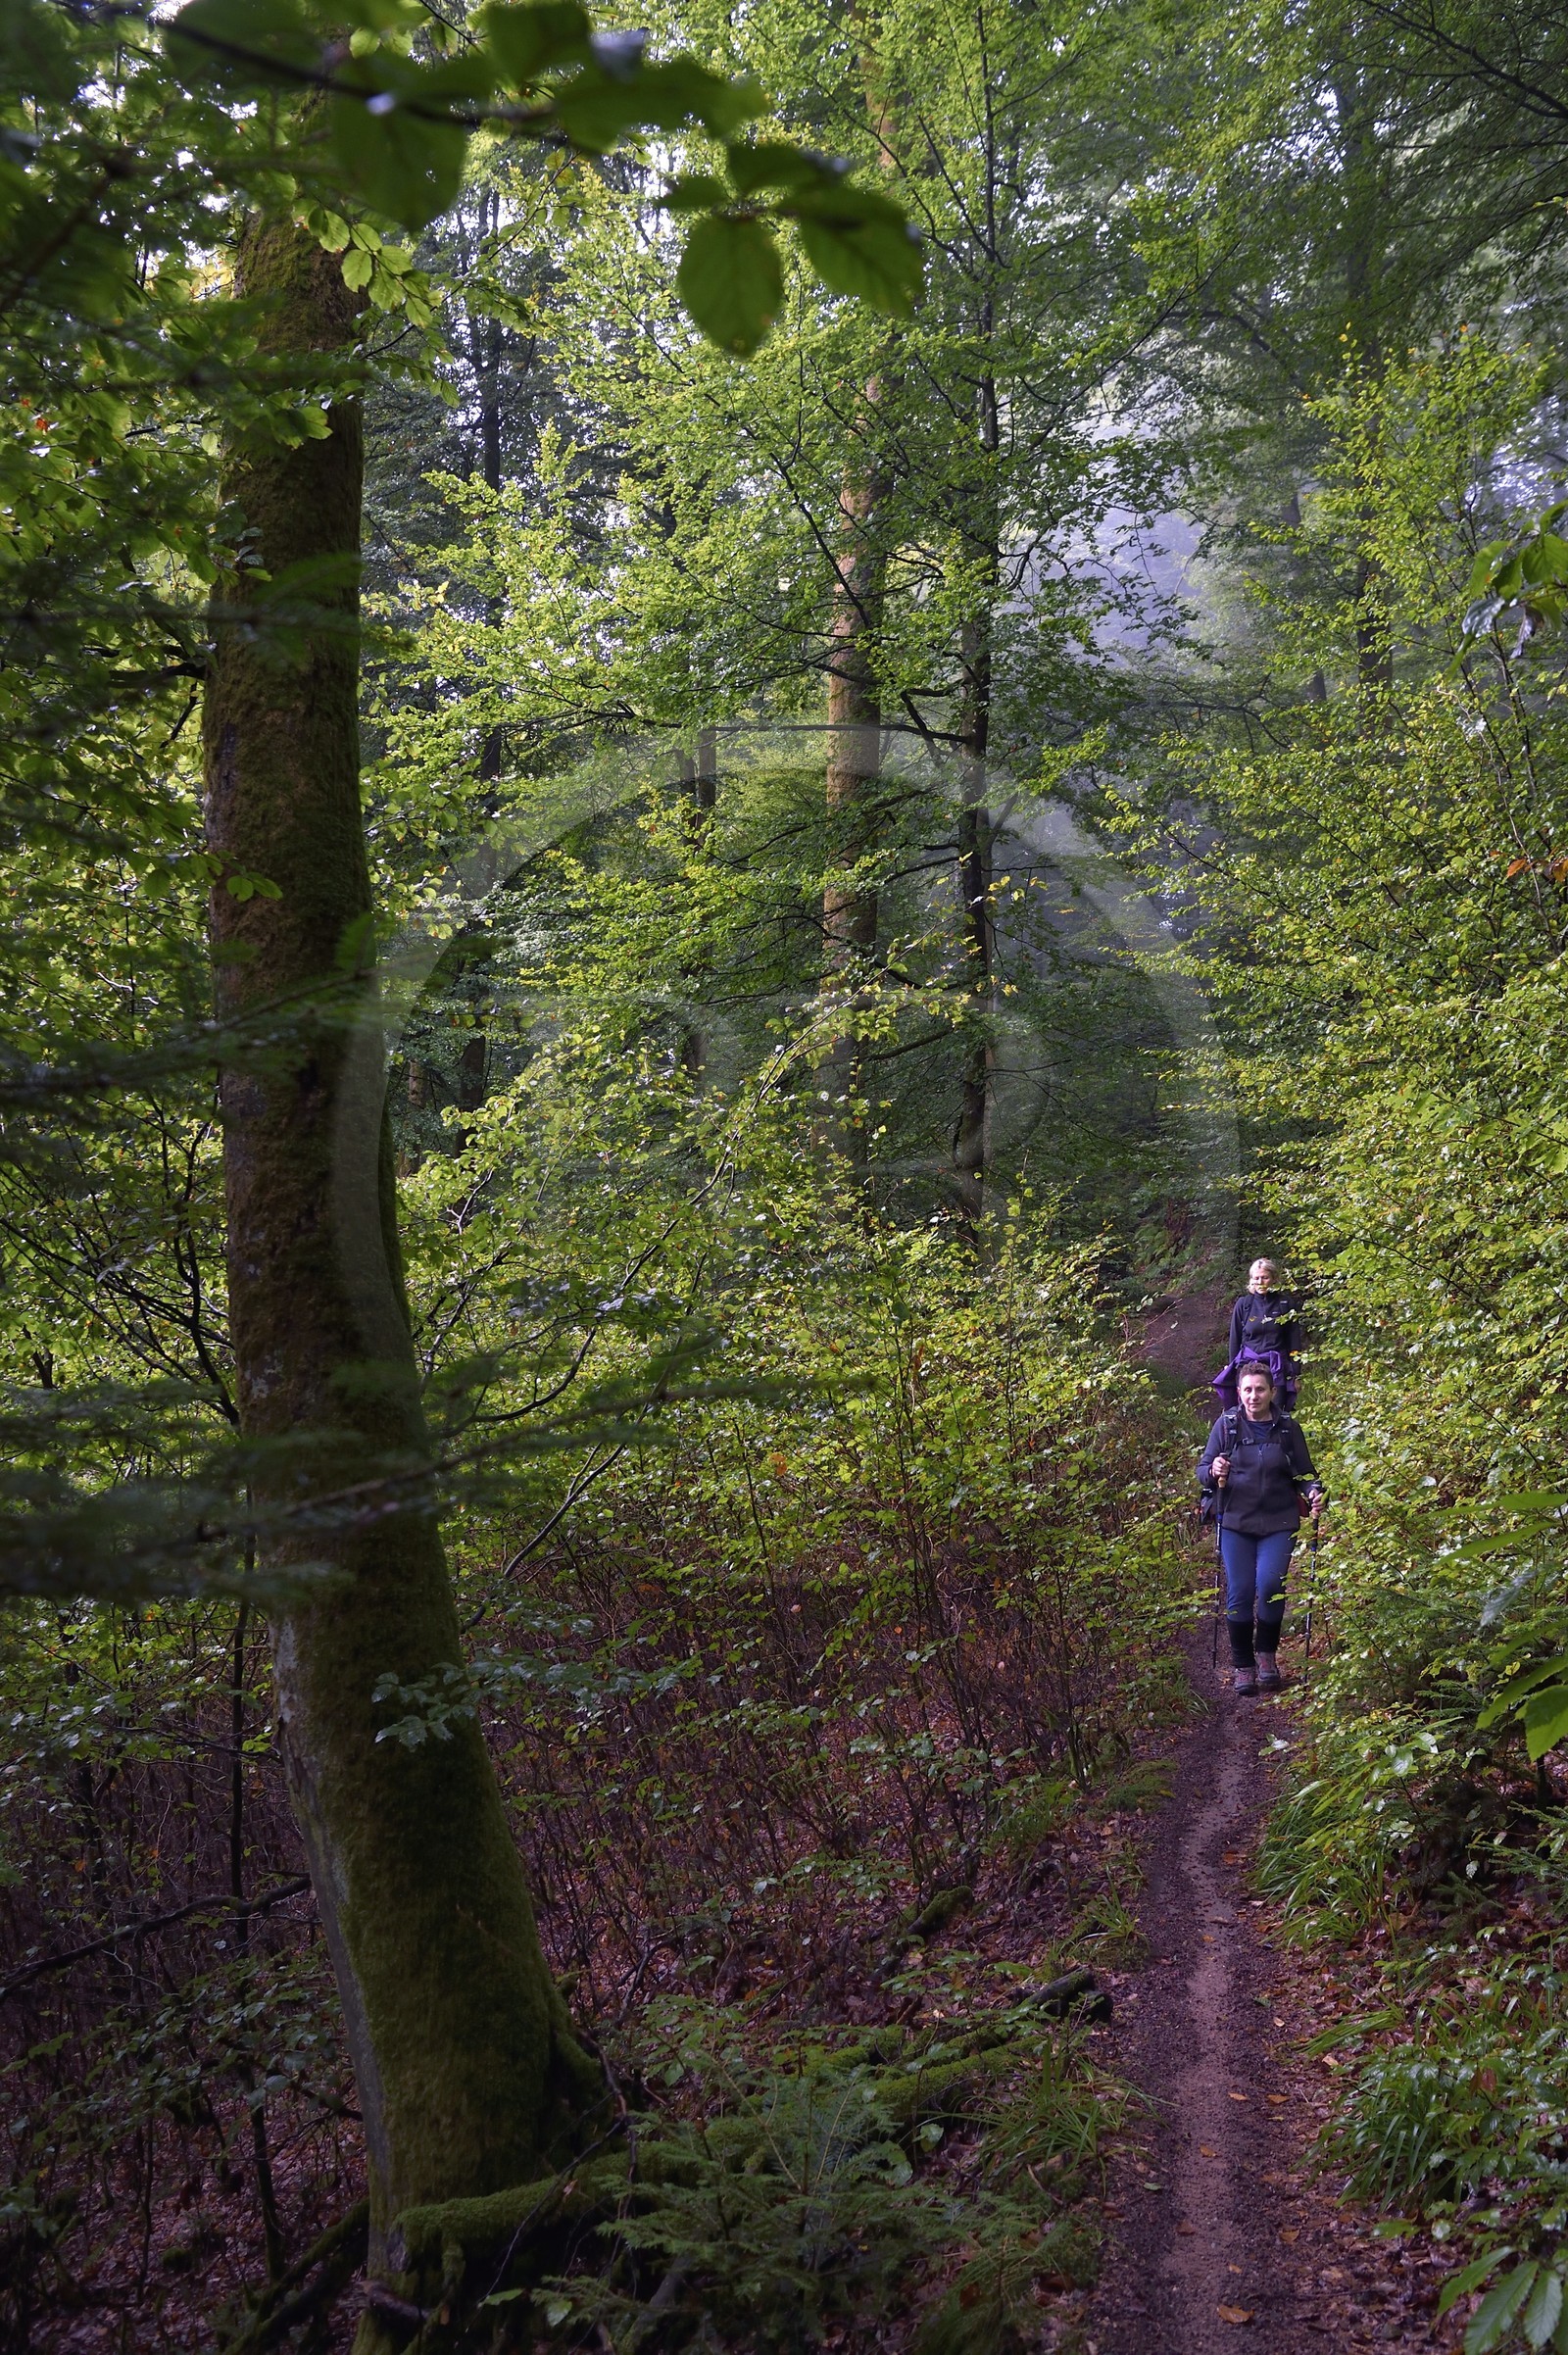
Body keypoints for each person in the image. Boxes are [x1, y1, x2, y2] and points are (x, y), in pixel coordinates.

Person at [1199, 1361, 1324, 1695]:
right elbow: (1201, 1472)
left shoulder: (1287, 1428)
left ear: (1272, 1392)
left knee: (1270, 1587)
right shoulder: (1226, 1426)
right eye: (1248, 1389)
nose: (1254, 1396)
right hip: (1236, 1521)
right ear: (1239, 1393)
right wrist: (1214, 1468)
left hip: (1279, 1522)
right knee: (1240, 1591)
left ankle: (1266, 1657)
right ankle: (1243, 1666)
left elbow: (1305, 1473)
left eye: (1260, 1389)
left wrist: (1313, 1492)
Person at [1212, 1255, 1301, 1412]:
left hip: (1277, 1367)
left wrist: (1296, 1375)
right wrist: (1233, 1369)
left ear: (1274, 1278)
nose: (1260, 1282)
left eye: (1265, 1277)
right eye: (1256, 1278)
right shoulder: (1244, 1305)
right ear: (1251, 1280)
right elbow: (1235, 1339)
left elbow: (1294, 1342)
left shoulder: (1286, 1304)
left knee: (1277, 1412)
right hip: (1248, 1366)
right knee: (1248, 1411)